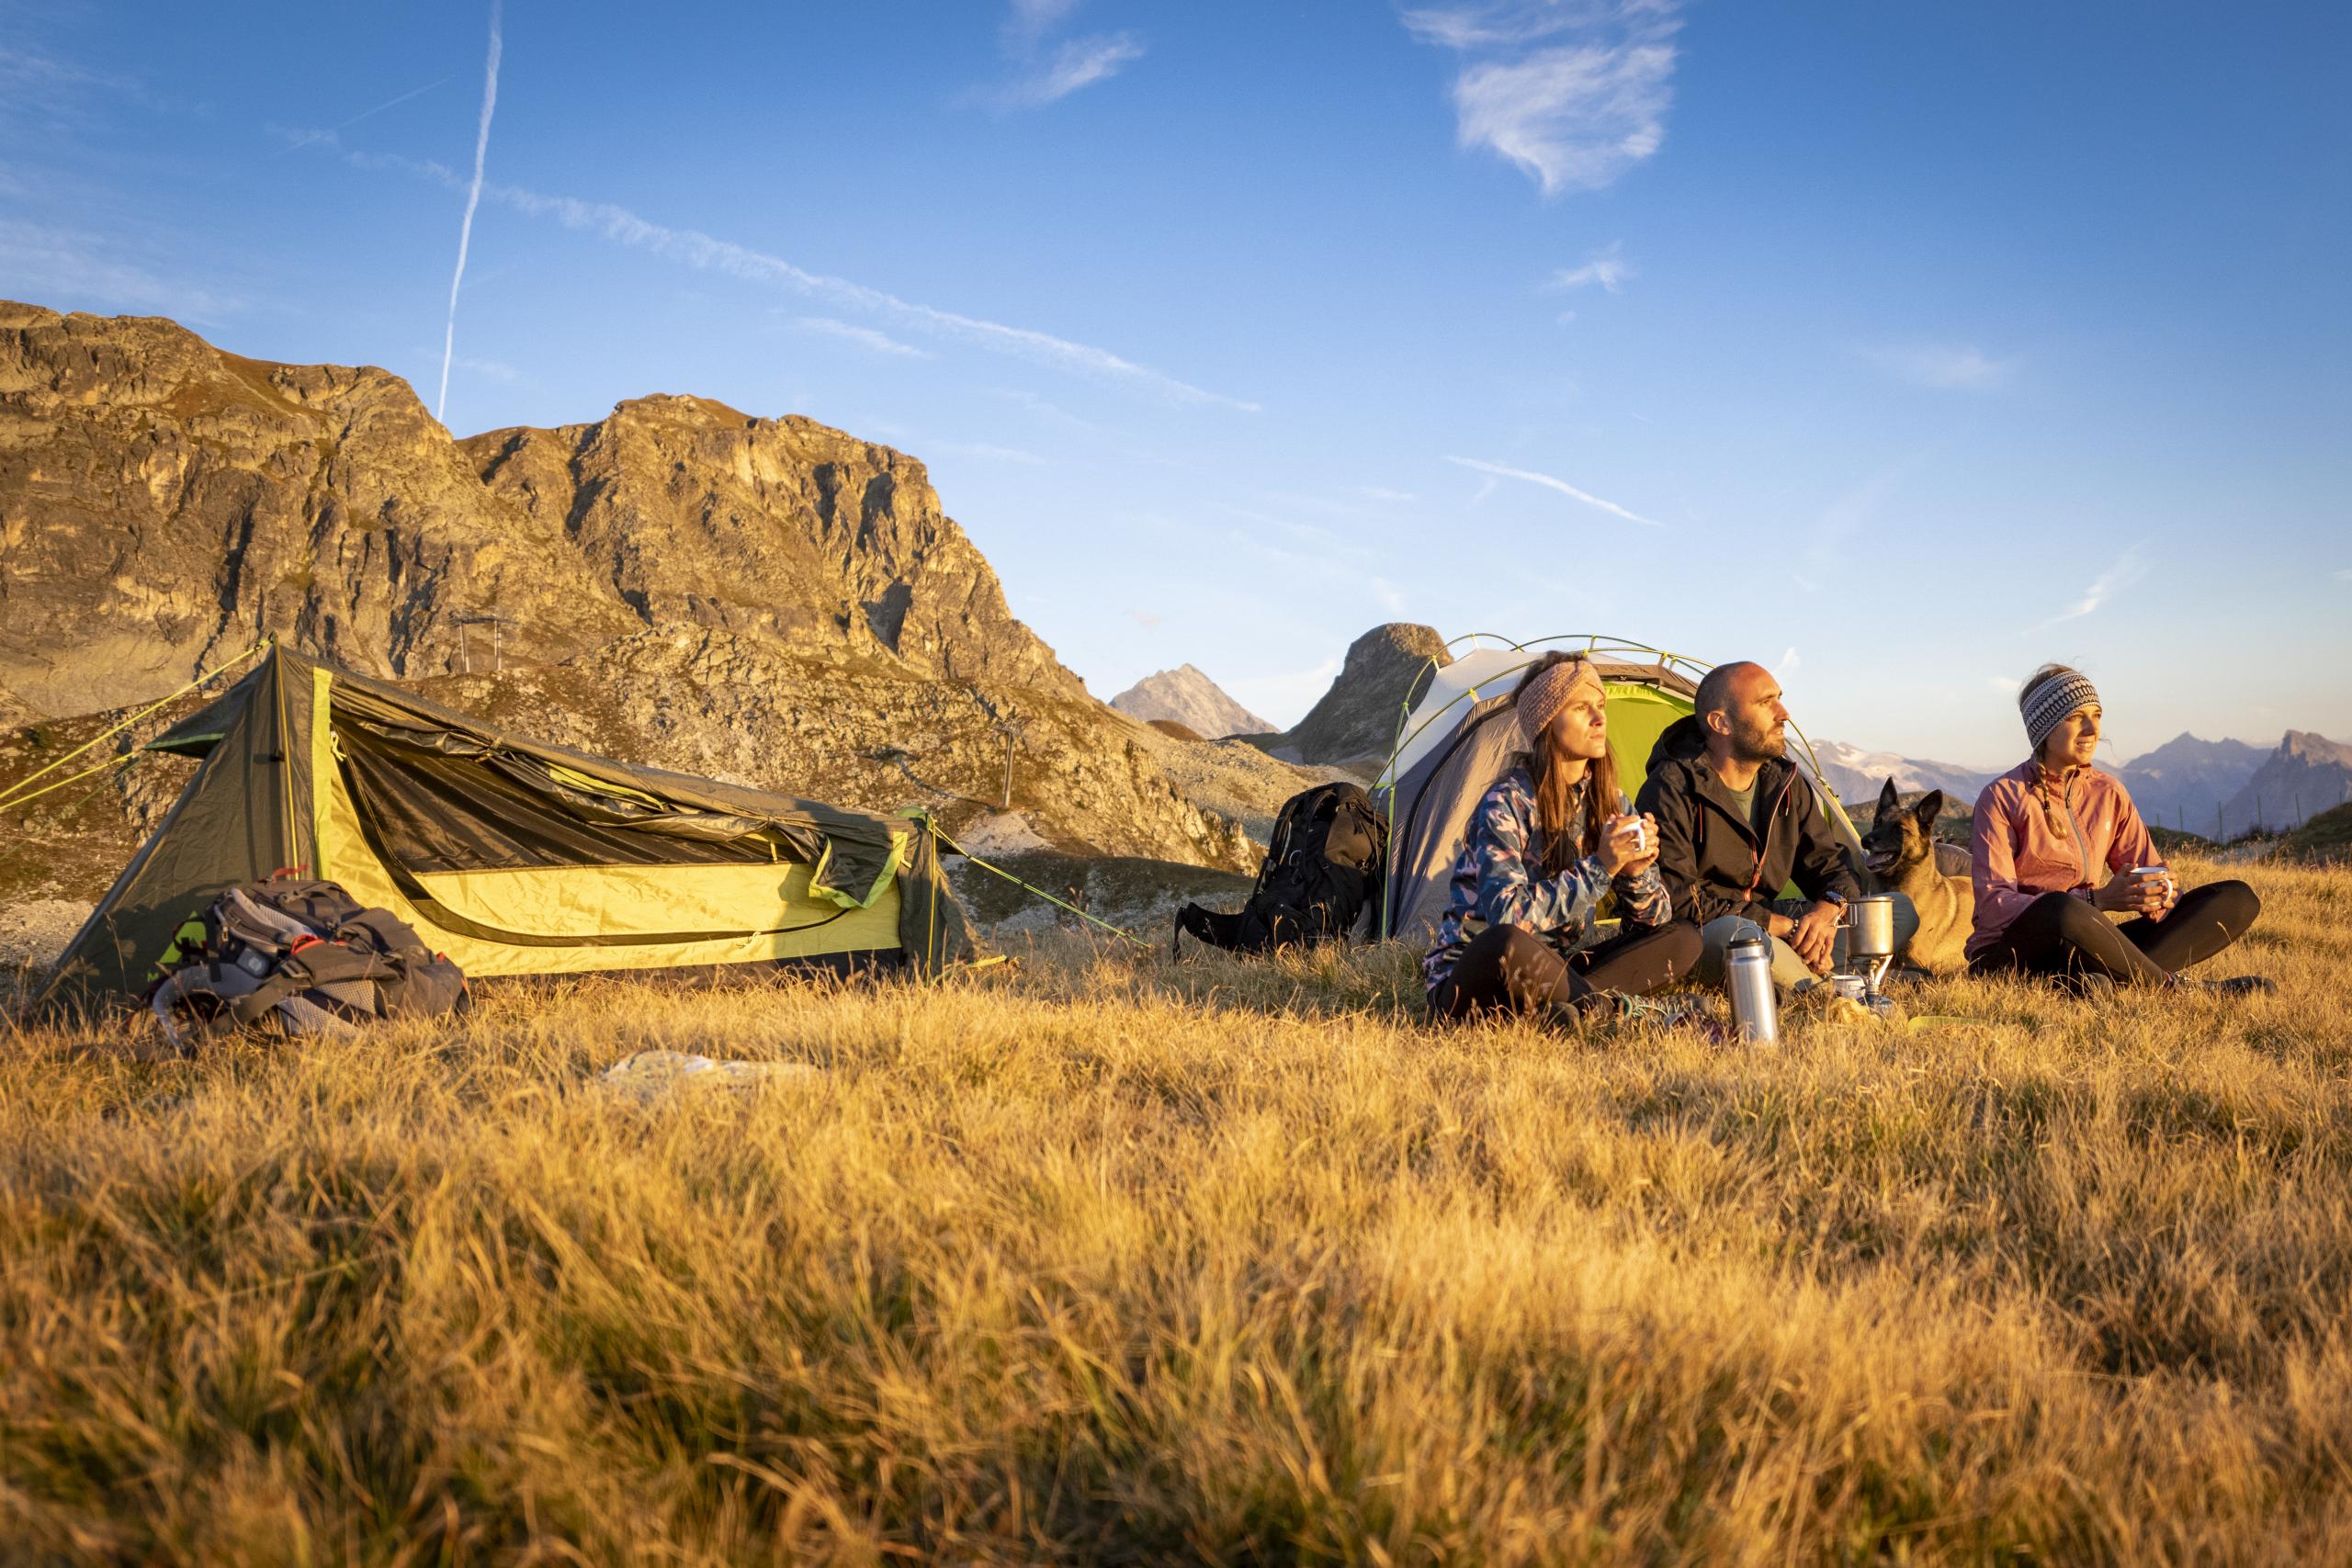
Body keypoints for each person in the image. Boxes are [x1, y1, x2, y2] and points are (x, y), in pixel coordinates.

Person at [1425, 652, 1704, 1027]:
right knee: (1506, 943)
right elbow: (1507, 917)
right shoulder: (1505, 802)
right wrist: (1602, 867)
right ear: (1546, 723)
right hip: (1478, 978)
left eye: (1601, 705)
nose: (1600, 717)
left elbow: (1652, 924)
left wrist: (1637, 872)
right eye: (1581, 707)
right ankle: (1616, 1011)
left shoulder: (1610, 801)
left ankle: (1571, 1008)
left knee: (1684, 938)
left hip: (1551, 969)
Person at [1968, 664, 2267, 994]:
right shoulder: (2002, 796)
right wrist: (2096, 899)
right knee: (2060, 908)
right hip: (2009, 954)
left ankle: (2096, 979)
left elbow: (2146, 869)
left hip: (2082, 943)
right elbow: (1993, 907)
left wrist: (2159, 891)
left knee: (2236, 899)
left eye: (2096, 715)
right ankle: (2176, 989)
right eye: (2074, 717)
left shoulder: (2108, 793)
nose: (2091, 728)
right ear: (2044, 729)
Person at [1637, 660, 1890, 989]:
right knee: (1743, 937)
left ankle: (1804, 963)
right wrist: (1777, 925)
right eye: (1765, 702)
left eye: (1779, 698)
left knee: (1892, 913)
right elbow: (1678, 899)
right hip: (1705, 933)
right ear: (1721, 723)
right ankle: (1825, 989)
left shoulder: (1784, 783)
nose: (1783, 713)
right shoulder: (1671, 787)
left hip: (1775, 925)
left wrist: (1826, 912)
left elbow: (1830, 866)